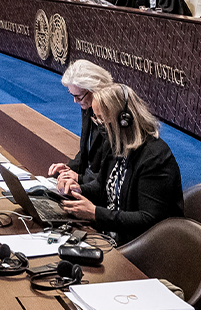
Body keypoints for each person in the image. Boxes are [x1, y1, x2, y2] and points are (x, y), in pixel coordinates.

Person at [56, 84, 181, 244]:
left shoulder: (154, 157)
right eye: (96, 118)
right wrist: (77, 189)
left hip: (143, 246)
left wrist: (95, 213)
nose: (99, 125)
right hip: (112, 236)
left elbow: (149, 220)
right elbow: (101, 187)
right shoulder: (114, 144)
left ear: (124, 120)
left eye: (102, 119)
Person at [46, 61, 112, 188]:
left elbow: (110, 172)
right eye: (72, 95)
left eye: (78, 96)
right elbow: (86, 152)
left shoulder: (111, 116)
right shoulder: (88, 105)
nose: (75, 101)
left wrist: (79, 178)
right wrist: (68, 169)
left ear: (94, 90)